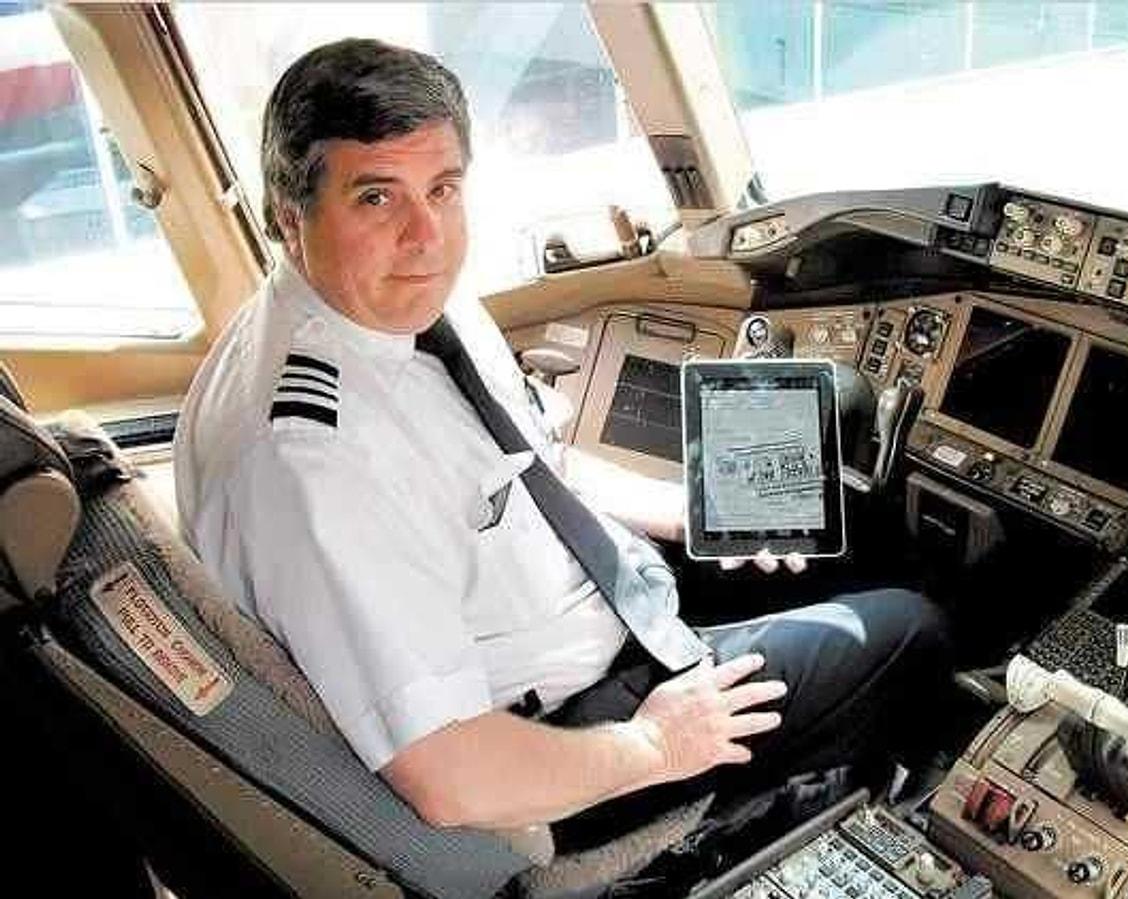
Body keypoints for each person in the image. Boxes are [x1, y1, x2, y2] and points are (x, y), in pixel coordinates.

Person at [174, 37, 950, 854]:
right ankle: (818, 823)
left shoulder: (400, 306)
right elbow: (449, 773)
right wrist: (656, 743)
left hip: (606, 602)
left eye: (443, 189)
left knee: (832, 528)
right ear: (287, 215)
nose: (427, 236)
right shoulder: (310, 459)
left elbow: (534, 461)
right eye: (376, 198)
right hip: (563, 739)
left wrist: (683, 512)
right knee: (910, 630)